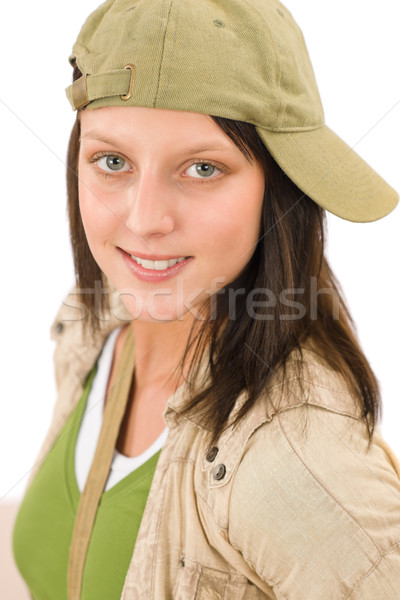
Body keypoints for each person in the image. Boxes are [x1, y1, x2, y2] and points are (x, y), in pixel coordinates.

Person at [12, 0, 400, 598]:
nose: (143, 221)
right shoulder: (94, 328)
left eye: (201, 168)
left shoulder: (294, 456)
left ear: (281, 187)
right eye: (112, 161)